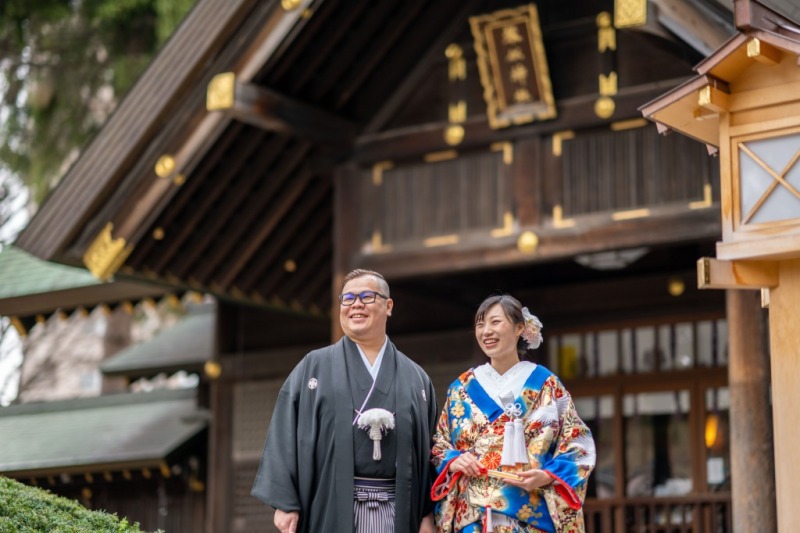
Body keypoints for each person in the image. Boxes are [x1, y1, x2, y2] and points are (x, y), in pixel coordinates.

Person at [252, 269, 438, 533]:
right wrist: (285, 502)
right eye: (347, 298)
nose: (356, 304)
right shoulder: (314, 367)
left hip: (399, 510)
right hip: (329, 505)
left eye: (366, 296)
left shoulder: (415, 377)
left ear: (388, 306)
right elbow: (284, 433)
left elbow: (432, 450)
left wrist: (427, 513)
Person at [430, 294, 595, 532]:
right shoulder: (462, 388)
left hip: (530, 512)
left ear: (519, 328)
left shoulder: (546, 385)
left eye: (495, 322)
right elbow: (439, 445)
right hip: (474, 516)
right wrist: (454, 460)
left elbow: (578, 443)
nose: (486, 331)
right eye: (480, 324)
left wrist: (547, 475)